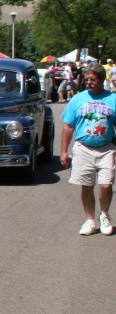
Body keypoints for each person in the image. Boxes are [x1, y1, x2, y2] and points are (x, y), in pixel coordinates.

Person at [60, 62, 116, 236]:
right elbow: (68, 126)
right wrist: (64, 151)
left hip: (106, 148)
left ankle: (104, 215)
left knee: (106, 185)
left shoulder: (112, 99)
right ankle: (90, 220)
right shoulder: (78, 99)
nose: (89, 82)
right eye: (87, 79)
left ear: (101, 79)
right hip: (83, 148)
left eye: (93, 79)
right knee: (86, 185)